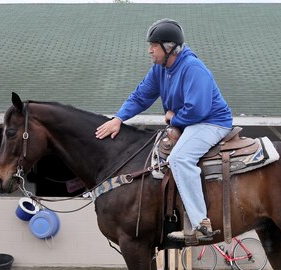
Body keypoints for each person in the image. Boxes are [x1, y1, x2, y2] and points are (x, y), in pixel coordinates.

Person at [95, 18, 233, 242]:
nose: (149, 50)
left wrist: (173, 117)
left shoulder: (193, 68)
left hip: (211, 122)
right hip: (190, 122)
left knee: (180, 159)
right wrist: (119, 118)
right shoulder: (160, 69)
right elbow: (141, 95)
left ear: (169, 48)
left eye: (154, 45)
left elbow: (198, 109)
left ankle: (200, 223)